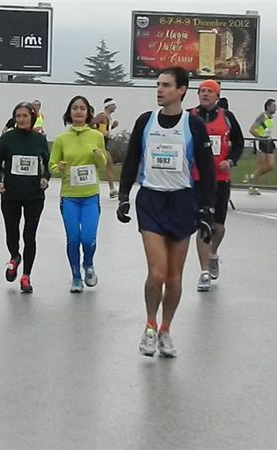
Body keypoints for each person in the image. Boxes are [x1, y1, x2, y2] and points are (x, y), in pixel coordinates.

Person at [116, 66, 216, 358]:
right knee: (157, 273)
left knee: (174, 277)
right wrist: (124, 196)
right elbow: (132, 159)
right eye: (158, 85)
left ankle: (166, 330)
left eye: (167, 85)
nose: (160, 90)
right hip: (151, 202)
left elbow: (207, 171)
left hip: (182, 203)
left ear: (182, 90)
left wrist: (207, 211)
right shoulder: (146, 121)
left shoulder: (193, 125)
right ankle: (149, 326)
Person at [189, 80, 244, 292]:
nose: (204, 94)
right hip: (197, 177)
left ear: (217, 96)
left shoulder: (227, 117)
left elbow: (239, 143)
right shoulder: (189, 116)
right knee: (204, 223)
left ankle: (212, 253)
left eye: (209, 91)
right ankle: (203, 272)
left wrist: (230, 160)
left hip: (220, 178)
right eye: (202, 91)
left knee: (218, 227)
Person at [49, 95, 107, 293]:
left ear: (88, 112)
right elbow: (52, 166)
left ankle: (88, 264)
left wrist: (100, 157)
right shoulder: (61, 139)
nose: (79, 111)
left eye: (82, 108)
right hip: (70, 197)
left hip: (90, 195)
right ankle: (76, 277)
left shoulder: (96, 136)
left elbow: (103, 165)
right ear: (69, 112)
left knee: (88, 238)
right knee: (73, 239)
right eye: (75, 108)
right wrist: (60, 167)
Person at [0, 102, 50, 293]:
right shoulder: (8, 138)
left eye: (25, 116)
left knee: (29, 235)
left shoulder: (39, 140)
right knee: (12, 232)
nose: (21, 119)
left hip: (34, 195)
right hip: (11, 194)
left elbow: (49, 165)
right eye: (18, 116)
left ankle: (26, 276)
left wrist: (45, 178)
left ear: (32, 117)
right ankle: (14, 256)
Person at [244, 99, 277, 195]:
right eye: (273, 106)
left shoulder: (271, 118)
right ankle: (253, 187)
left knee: (270, 166)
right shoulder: (262, 117)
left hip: (269, 141)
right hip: (261, 142)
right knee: (261, 166)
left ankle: (251, 177)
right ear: (268, 107)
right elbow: (252, 129)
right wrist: (260, 137)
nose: (275, 108)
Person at [93, 97, 120, 198]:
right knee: (109, 163)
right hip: (100, 143)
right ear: (108, 106)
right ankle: (112, 189)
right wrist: (101, 133)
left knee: (108, 164)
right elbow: (92, 124)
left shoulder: (108, 117)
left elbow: (103, 128)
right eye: (114, 105)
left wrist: (112, 127)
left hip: (104, 143)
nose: (115, 107)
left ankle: (111, 189)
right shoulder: (102, 115)